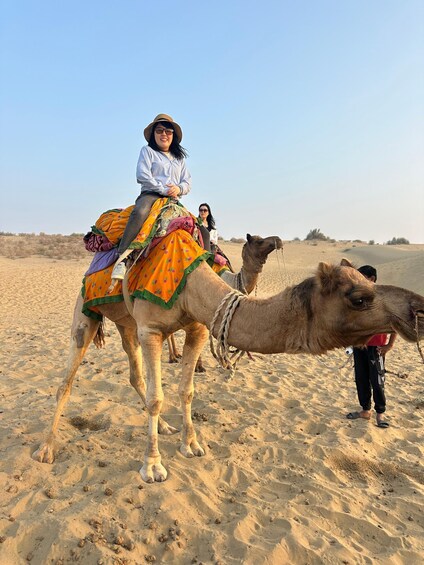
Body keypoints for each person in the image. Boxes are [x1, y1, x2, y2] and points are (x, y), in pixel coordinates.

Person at [111, 113, 209, 280]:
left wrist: (179, 189)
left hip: (173, 200)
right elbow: (142, 175)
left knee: (203, 232)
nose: (164, 134)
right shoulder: (148, 151)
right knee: (139, 213)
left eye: (168, 131)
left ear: (173, 135)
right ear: (153, 134)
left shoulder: (179, 159)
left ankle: (207, 270)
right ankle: (122, 258)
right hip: (151, 195)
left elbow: (187, 182)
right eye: (160, 130)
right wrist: (163, 189)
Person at [346, 265, 397, 428]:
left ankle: (380, 413)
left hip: (377, 347)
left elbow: (395, 323)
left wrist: (389, 345)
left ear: (371, 279)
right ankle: (365, 410)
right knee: (361, 379)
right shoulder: (358, 300)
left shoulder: (382, 299)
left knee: (377, 380)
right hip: (359, 345)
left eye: (361, 277)